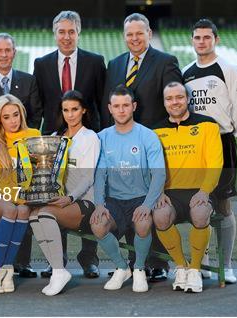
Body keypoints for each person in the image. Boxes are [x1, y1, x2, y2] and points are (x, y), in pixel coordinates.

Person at [102, 13, 183, 280]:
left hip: (152, 144)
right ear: (124, 36)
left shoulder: (165, 61)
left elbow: (171, 103)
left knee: (150, 201)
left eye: (139, 33)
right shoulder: (115, 64)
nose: (134, 39)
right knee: (126, 200)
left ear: (149, 33)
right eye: (129, 34)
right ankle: (132, 264)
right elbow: (111, 103)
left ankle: (156, 265)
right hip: (121, 146)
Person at [33, 10, 105, 279]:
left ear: (79, 32)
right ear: (55, 34)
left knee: (86, 194)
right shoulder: (41, 64)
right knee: (56, 195)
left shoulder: (95, 62)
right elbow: (39, 106)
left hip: (87, 140)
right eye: (61, 32)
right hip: (56, 141)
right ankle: (57, 262)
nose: (66, 37)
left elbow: (100, 102)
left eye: (71, 31)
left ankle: (89, 258)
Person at [182, 18, 237, 284]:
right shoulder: (186, 71)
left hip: (221, 142)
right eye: (197, 38)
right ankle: (203, 261)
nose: (202, 42)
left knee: (222, 203)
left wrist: (232, 131)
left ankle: (227, 264)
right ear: (192, 40)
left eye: (207, 37)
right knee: (198, 202)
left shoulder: (228, 69)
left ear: (216, 39)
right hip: (195, 146)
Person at [90, 85, 166, 292]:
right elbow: (99, 174)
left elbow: (159, 173)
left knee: (142, 223)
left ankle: (139, 269)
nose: (121, 110)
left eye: (125, 105)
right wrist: (99, 204)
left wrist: (147, 204)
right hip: (114, 200)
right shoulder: (102, 137)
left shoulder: (148, 136)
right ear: (110, 108)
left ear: (133, 106)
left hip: (140, 197)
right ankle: (122, 268)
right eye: (117, 106)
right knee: (98, 224)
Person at [152, 81, 223, 293]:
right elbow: (153, 168)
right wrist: (159, 192)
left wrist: (205, 190)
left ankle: (194, 269)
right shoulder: (155, 131)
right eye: (170, 98)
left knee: (201, 213)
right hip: (169, 194)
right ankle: (181, 266)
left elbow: (215, 163)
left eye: (179, 97)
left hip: (199, 190)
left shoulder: (208, 125)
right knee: (160, 216)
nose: (175, 102)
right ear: (164, 103)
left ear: (188, 99)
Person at [29, 90, 100, 296]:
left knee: (45, 214)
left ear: (83, 110)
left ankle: (59, 271)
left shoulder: (90, 138)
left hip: (83, 201)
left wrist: (70, 197)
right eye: (66, 110)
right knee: (34, 215)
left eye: (75, 109)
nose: (70, 114)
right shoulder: (54, 138)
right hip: (57, 199)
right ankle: (57, 268)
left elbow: (89, 177)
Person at [0, 94, 41, 293]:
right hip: (1, 194)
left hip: (26, 196)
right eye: (6, 117)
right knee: (12, 209)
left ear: (21, 114)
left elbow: (40, 171)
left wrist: (26, 196)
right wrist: (18, 197)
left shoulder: (34, 134)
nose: (12, 120)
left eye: (15, 114)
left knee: (23, 211)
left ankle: (7, 270)